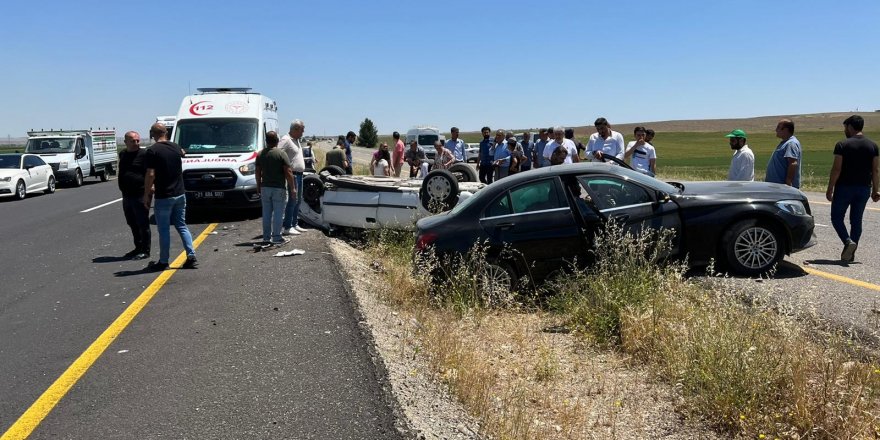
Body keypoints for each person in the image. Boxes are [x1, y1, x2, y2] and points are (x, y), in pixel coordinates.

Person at [826, 115, 880, 263]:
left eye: (845, 127)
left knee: (836, 218)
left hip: (844, 187)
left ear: (850, 127)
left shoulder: (842, 144)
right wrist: (876, 190)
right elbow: (875, 170)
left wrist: (830, 188)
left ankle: (848, 242)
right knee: (856, 221)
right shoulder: (873, 146)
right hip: (863, 189)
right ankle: (850, 253)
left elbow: (836, 169)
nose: (844, 130)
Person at [142, 122, 196, 271]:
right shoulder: (176, 147)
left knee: (164, 229)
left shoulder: (152, 151)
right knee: (181, 225)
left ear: (152, 134)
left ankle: (164, 261)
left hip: (164, 195)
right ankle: (191, 255)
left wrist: (147, 193)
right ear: (166, 132)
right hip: (180, 193)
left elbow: (151, 174)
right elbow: (183, 153)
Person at [255, 131, 296, 245]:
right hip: (279, 188)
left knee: (266, 213)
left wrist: (258, 185)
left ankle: (266, 237)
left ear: (266, 141)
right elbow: (288, 172)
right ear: (277, 140)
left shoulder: (260, 154)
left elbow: (258, 172)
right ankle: (277, 237)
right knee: (278, 213)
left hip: (265, 188)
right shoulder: (281, 154)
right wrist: (292, 188)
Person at [118, 131, 150, 260]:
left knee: (143, 223)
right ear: (125, 142)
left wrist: (149, 192)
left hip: (140, 194)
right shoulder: (123, 154)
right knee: (132, 222)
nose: (136, 143)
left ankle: (145, 250)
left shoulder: (144, 155)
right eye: (133, 141)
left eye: (138, 140)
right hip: (126, 195)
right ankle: (138, 247)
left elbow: (150, 173)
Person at [279, 119, 308, 236]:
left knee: (298, 201)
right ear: (295, 129)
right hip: (293, 175)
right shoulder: (286, 140)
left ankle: (294, 223)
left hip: (299, 175)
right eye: (302, 129)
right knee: (292, 200)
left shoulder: (296, 140)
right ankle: (287, 226)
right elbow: (278, 154)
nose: (303, 132)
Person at [764, 119, 802, 188]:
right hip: (776, 186)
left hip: (782, 187)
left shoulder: (791, 143)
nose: (776, 130)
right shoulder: (785, 143)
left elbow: (793, 163)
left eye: (778, 127)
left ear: (785, 130)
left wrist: (788, 183)